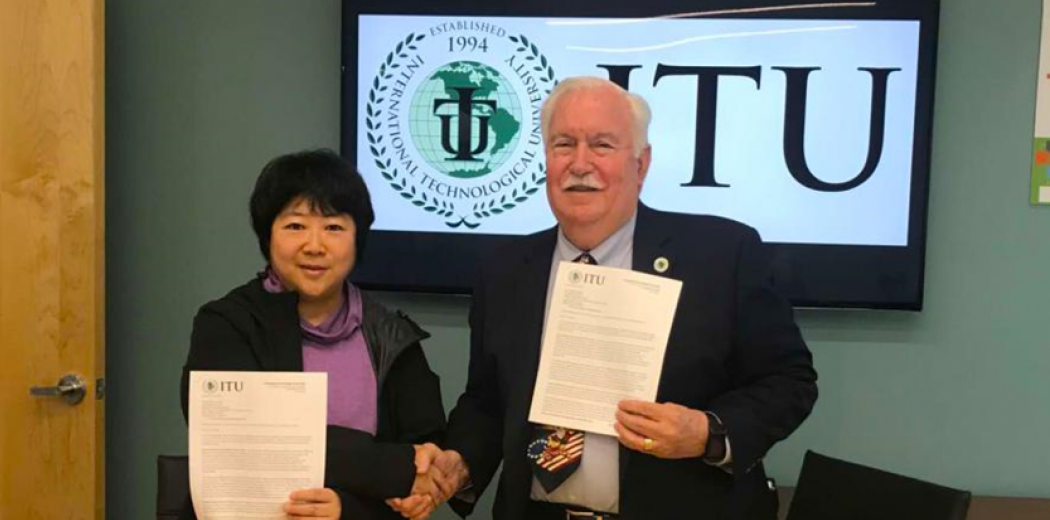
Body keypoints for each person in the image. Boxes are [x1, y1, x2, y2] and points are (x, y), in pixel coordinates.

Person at [399, 77, 819, 520]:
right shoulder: (505, 270)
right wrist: (459, 463)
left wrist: (707, 433)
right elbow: (487, 401)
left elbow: (789, 381)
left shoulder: (722, 255)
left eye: (602, 145)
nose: (580, 164)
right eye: (564, 144)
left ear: (641, 164)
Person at [180, 150, 448, 520]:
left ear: (358, 238)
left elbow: (425, 458)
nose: (315, 245)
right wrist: (395, 468)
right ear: (267, 235)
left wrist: (350, 508)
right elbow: (251, 440)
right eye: (295, 226)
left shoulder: (391, 335)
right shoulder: (227, 324)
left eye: (334, 227)